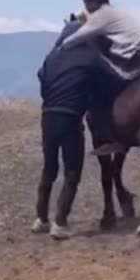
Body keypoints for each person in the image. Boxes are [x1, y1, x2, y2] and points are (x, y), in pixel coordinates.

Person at [32, 16, 103, 240]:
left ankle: (41, 219)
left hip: (48, 117)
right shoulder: (89, 57)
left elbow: (41, 77)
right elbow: (104, 81)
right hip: (71, 119)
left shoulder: (52, 57)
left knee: (49, 169)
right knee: (72, 173)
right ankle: (59, 223)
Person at [60, 0, 140, 81]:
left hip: (137, 60)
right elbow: (82, 16)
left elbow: (77, 38)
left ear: (97, 0)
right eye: (85, 2)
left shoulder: (102, 16)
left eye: (88, 1)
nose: (86, 5)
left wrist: (61, 48)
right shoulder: (109, 11)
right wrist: (74, 18)